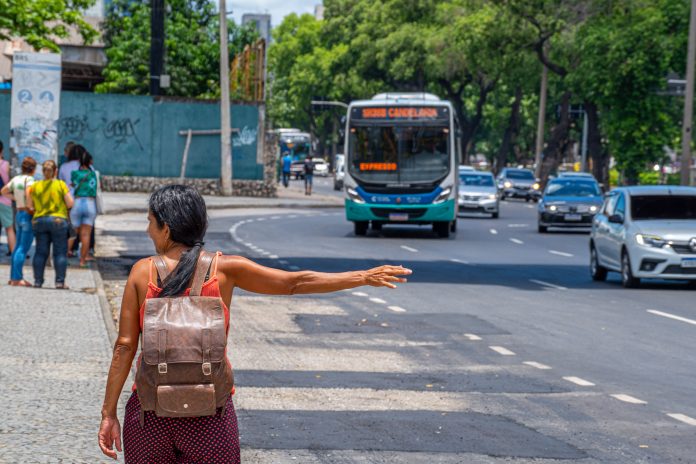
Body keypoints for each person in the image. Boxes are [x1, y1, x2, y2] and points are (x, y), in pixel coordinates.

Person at [97, 185, 411, 463]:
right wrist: (362, 277)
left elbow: (124, 346)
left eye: (150, 223)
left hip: (150, 416)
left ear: (166, 228)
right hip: (210, 416)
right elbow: (294, 283)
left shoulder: (142, 272)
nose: (149, 231)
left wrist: (108, 413)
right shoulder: (225, 269)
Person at [26, 160, 74, 289]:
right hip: (58, 221)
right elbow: (70, 203)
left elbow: (29, 206)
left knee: (40, 252)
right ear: (55, 171)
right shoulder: (60, 184)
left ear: (42, 172)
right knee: (59, 253)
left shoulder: (35, 186)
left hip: (39, 220)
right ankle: (59, 282)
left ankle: (38, 281)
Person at [1, 156, 37, 286]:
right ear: (33, 169)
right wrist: (31, 208)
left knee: (17, 247)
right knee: (23, 247)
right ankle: (17, 278)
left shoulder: (16, 179)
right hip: (27, 214)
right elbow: (29, 194)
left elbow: (3, 191)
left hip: (19, 213)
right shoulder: (31, 180)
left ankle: (13, 277)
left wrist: (16, 198)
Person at [70, 147, 98, 267]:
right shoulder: (93, 174)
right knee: (86, 234)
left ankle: (65, 255)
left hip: (77, 202)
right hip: (90, 203)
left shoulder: (75, 174)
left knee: (72, 233)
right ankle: (82, 260)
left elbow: (72, 186)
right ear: (90, 161)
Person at [0, 141, 16, 256]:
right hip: (5, 199)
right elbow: (11, 183)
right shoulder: (6, 165)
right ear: (2, 150)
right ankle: (14, 254)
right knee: (9, 229)